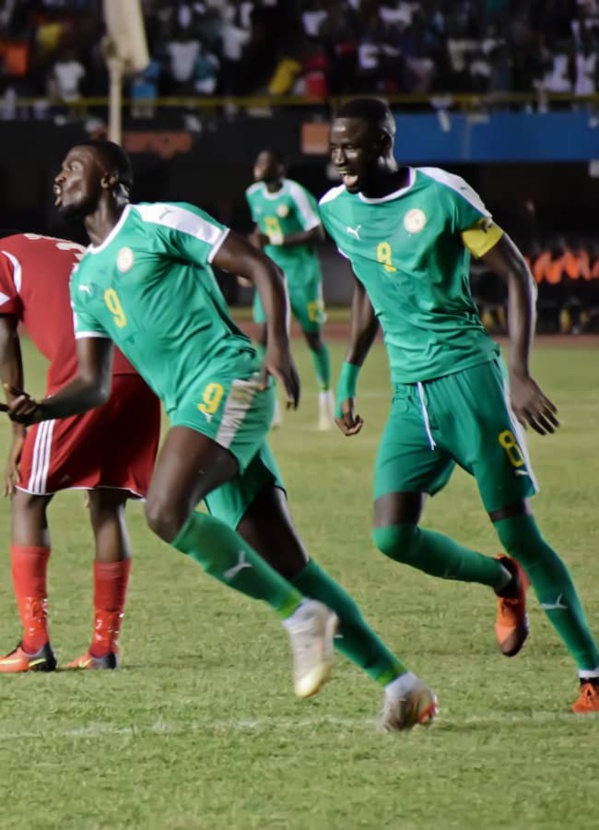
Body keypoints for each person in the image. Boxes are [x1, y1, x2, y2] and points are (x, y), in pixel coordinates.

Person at [5, 139, 437, 731]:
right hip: (192, 407)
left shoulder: (159, 222)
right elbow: (93, 384)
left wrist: (277, 347)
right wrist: (43, 408)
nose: (59, 178)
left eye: (71, 167)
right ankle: (403, 687)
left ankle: (298, 618)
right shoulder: (86, 281)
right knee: (290, 563)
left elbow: (261, 266)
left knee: (164, 510)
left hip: (229, 378)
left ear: (108, 177)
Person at [319, 97, 599, 715]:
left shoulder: (442, 195)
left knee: (519, 530)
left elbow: (517, 273)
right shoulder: (335, 209)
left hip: (469, 381)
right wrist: (349, 373)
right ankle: (501, 578)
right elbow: (365, 284)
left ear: (385, 143)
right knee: (392, 535)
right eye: (334, 146)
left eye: (352, 146)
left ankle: (592, 673)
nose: (340, 157)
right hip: (409, 395)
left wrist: (518, 372)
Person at [0, 232, 161, 671]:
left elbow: (4, 337)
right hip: (142, 375)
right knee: (108, 504)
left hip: (84, 380)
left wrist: (18, 429)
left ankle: (34, 644)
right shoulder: (71, 249)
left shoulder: (3, 256)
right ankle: (104, 648)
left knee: (29, 498)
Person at [246, 149, 335, 430]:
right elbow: (259, 231)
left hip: (301, 276)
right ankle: (270, 408)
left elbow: (317, 232)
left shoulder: (295, 193)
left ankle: (326, 400)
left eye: (265, 161)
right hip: (271, 274)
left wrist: (275, 239)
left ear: (280, 167)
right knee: (263, 336)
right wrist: (250, 262)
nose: (259, 166)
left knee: (312, 338)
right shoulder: (253, 194)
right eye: (258, 161)